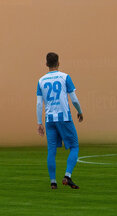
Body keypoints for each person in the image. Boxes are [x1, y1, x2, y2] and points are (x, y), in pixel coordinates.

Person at [36, 52, 83, 189]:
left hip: (49, 119)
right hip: (64, 117)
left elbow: (39, 104)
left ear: (46, 64)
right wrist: (79, 111)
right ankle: (67, 176)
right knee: (74, 146)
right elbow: (74, 99)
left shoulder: (41, 81)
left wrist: (39, 122)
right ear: (59, 63)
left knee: (51, 151)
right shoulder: (65, 77)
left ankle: (53, 182)